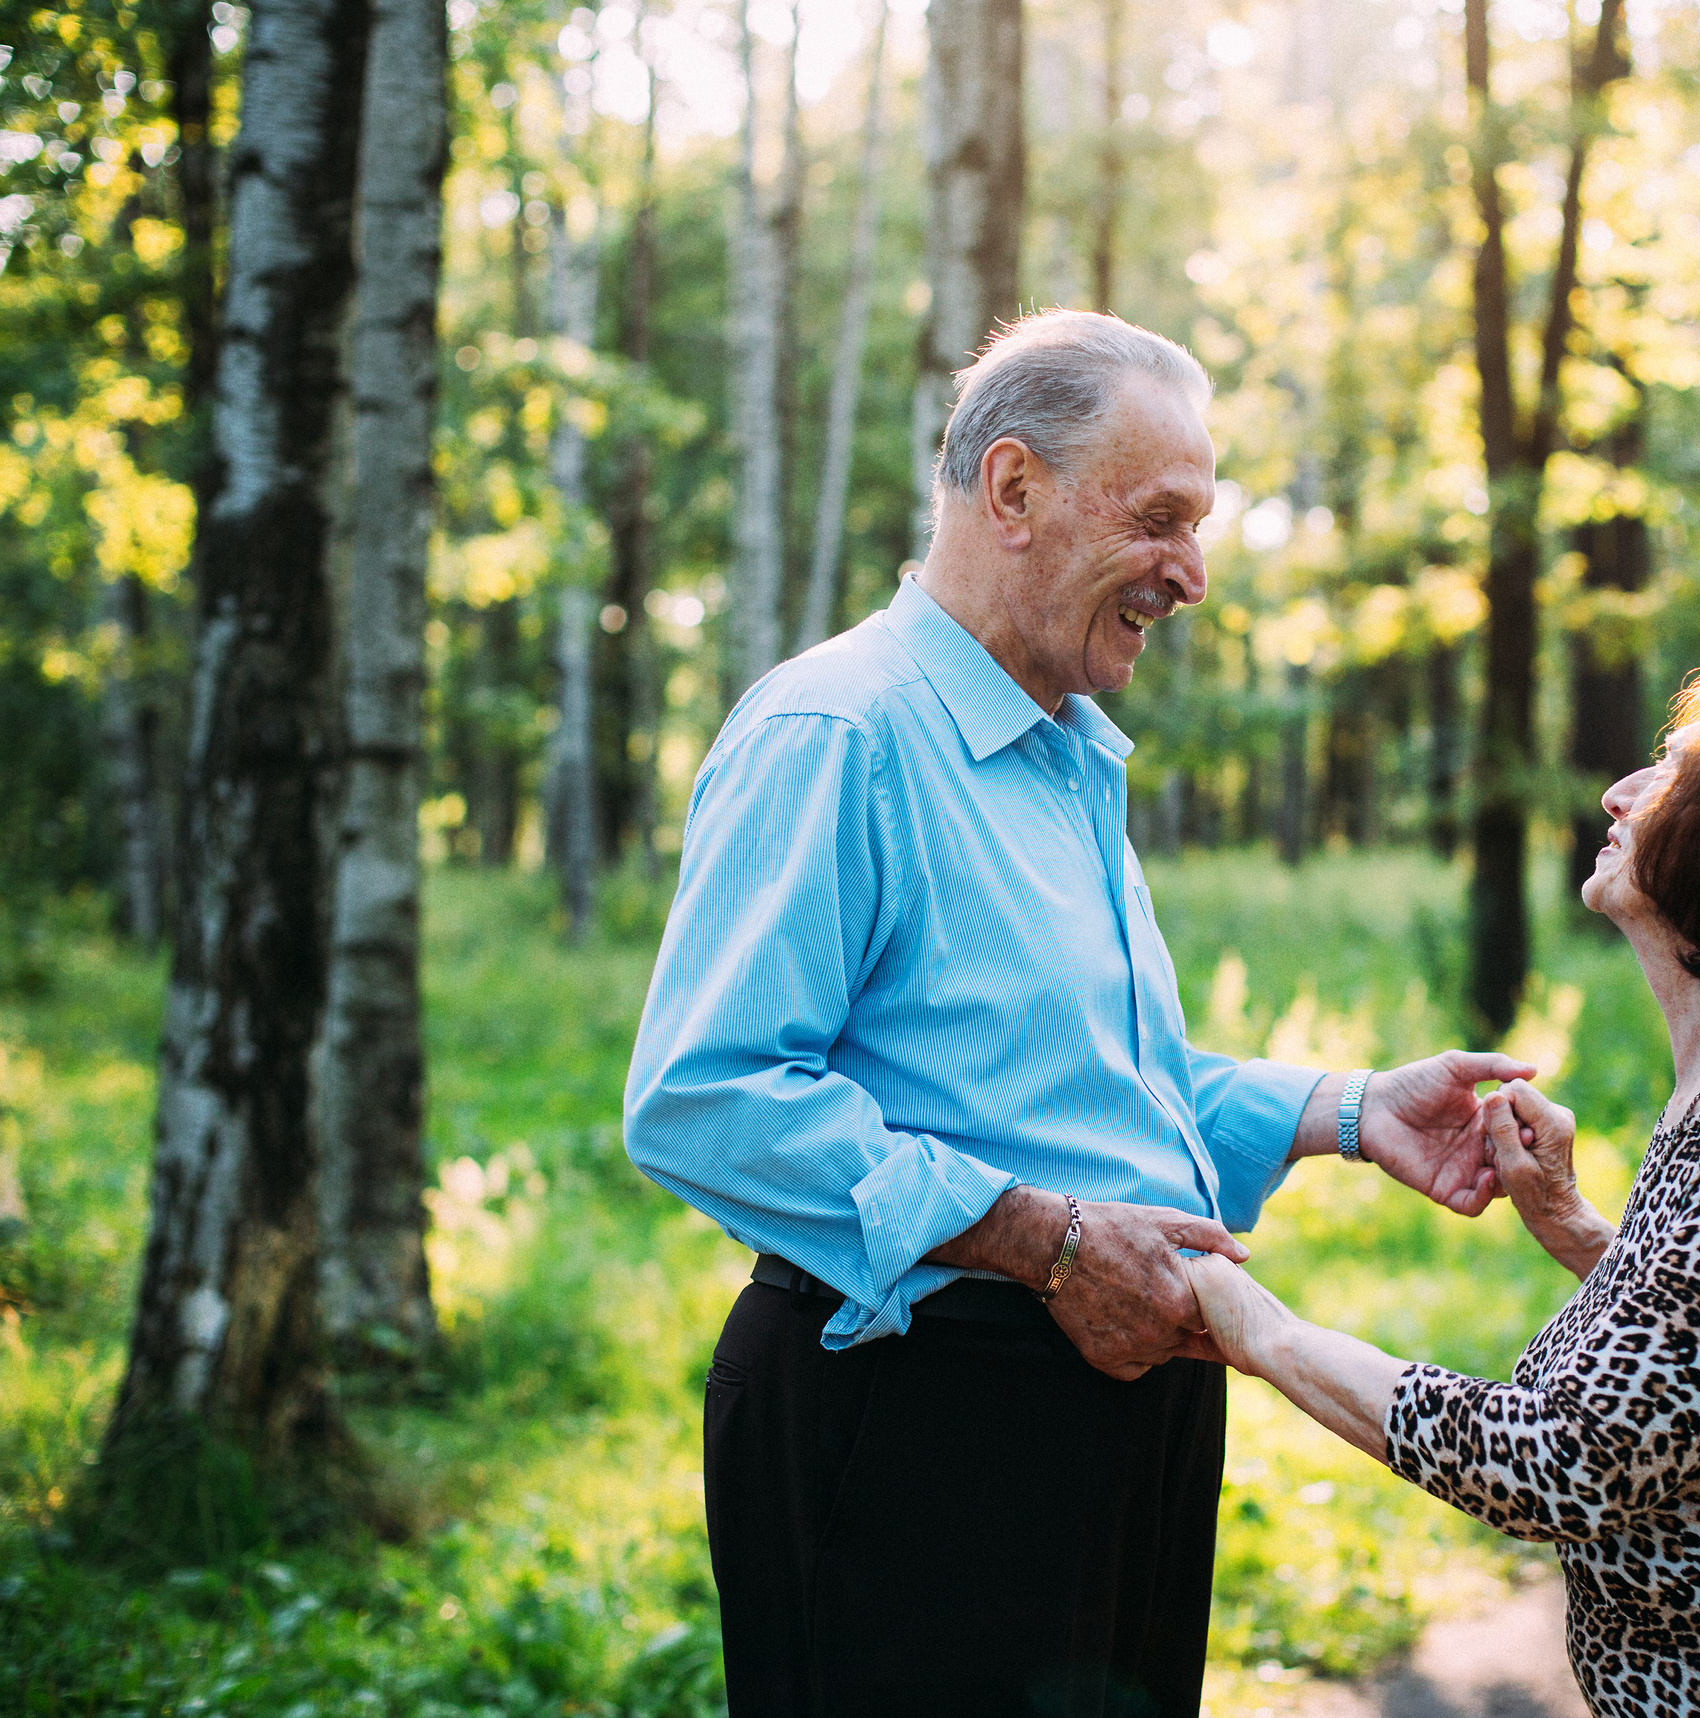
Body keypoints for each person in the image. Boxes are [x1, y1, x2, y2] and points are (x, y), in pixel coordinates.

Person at [621, 309, 1530, 1718]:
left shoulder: (1064, 754)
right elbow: (706, 1096)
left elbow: (1103, 1082)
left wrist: (1347, 1111)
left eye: (1199, 526)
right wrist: (1044, 1243)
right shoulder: (839, 731)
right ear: (1012, 490)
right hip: (923, 1421)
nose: (1193, 574)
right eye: (1160, 518)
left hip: (1119, 1401)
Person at [1188, 655, 1700, 1717]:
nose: (1618, 793)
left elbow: (1571, 1460)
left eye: (1674, 774)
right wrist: (1570, 1224)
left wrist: (1261, 1330)